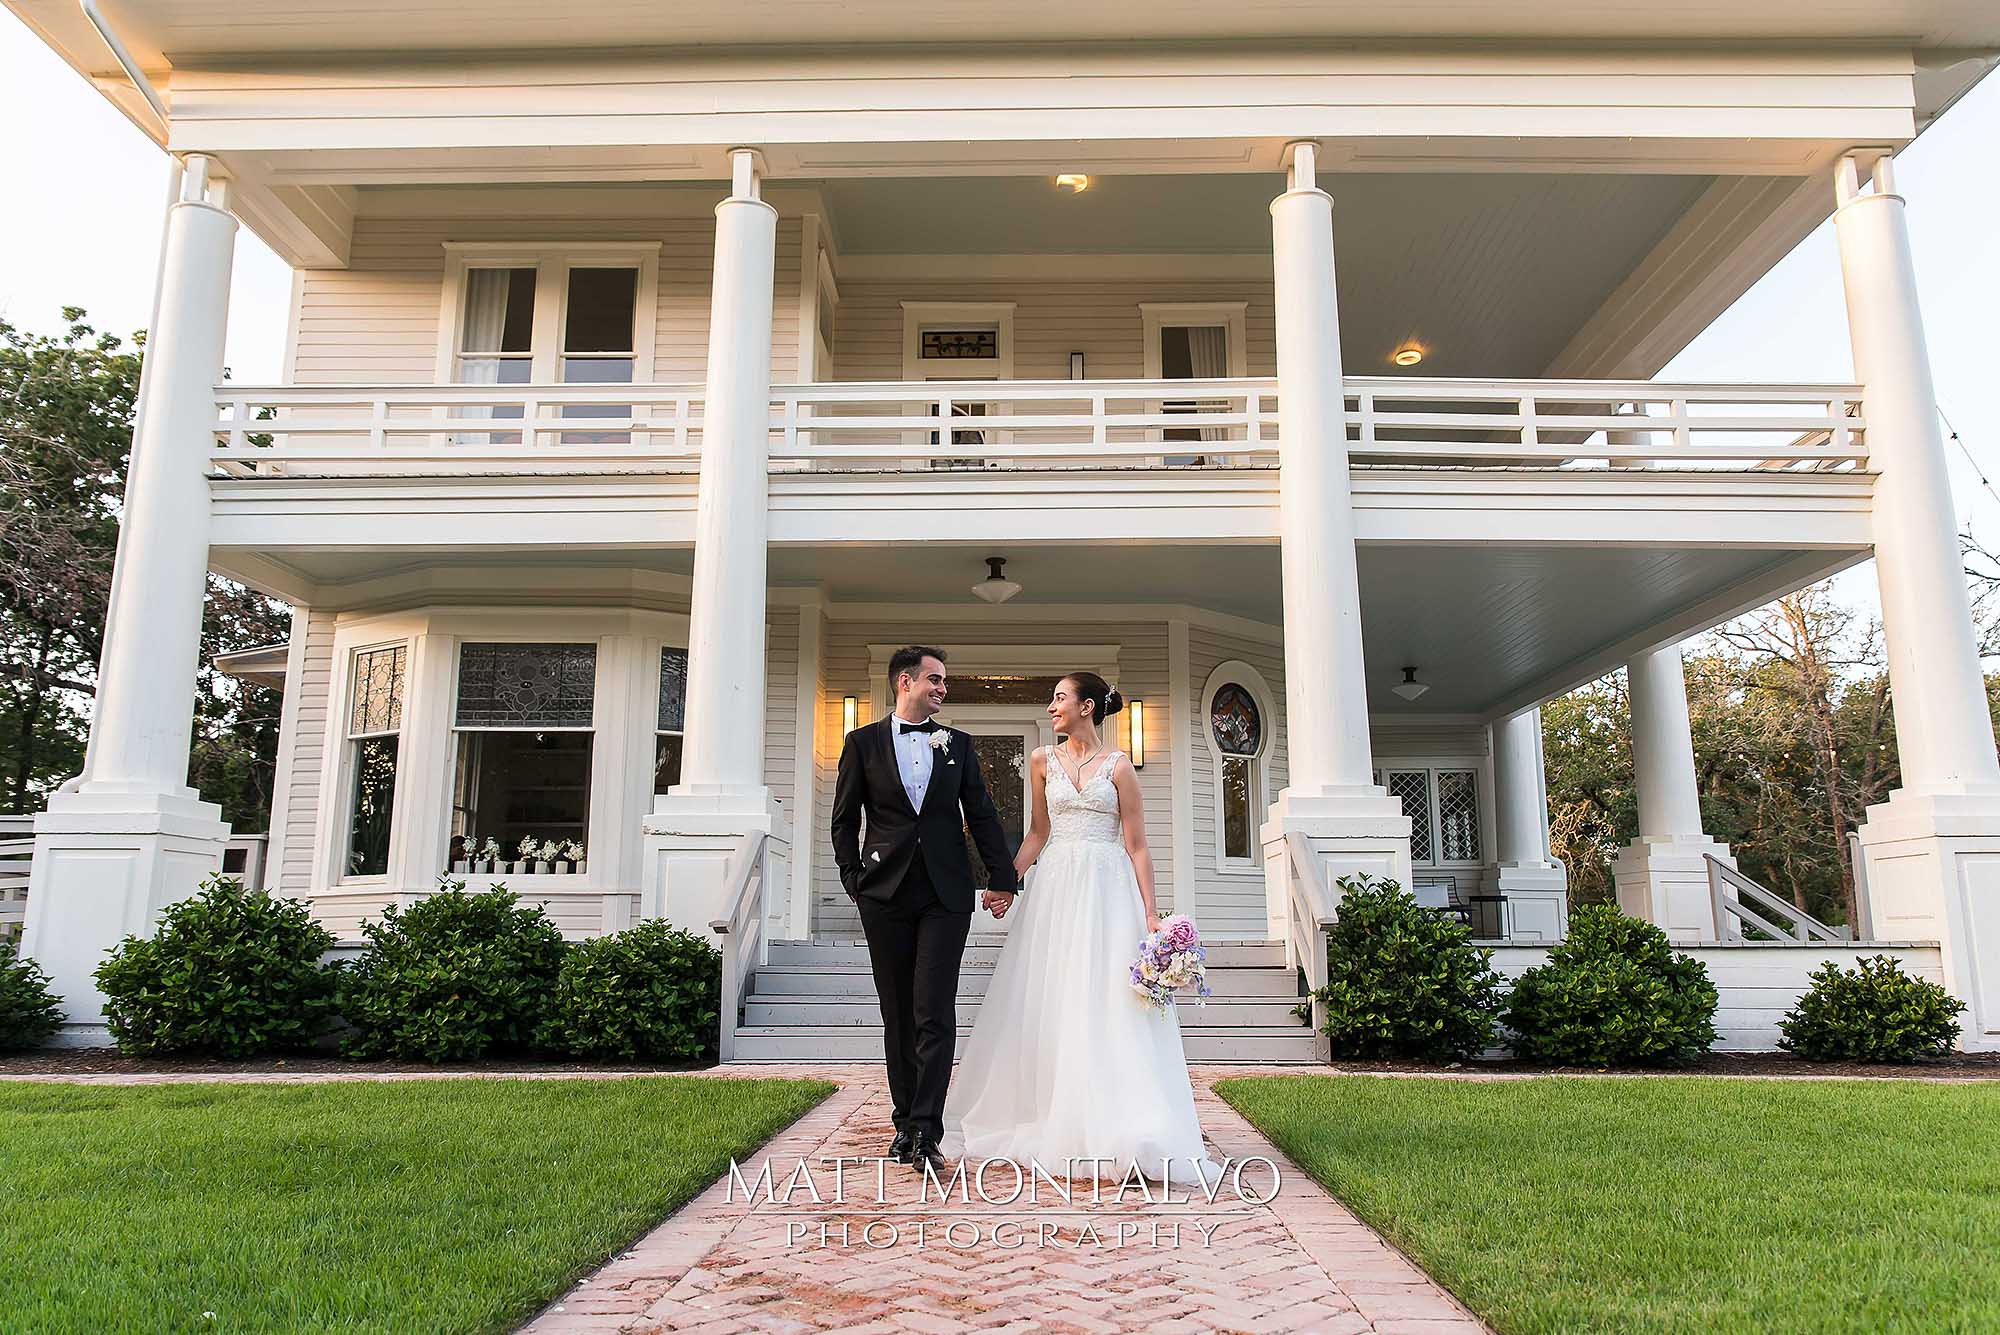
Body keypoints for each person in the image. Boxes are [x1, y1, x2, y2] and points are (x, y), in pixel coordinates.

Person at [940, 671, 1218, 1186]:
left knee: (1108, 997)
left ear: (1087, 707)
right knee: (1054, 993)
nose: (1051, 707)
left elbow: (1137, 845)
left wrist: (1152, 914)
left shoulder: (1120, 767)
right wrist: (1006, 881)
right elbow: (1038, 832)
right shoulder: (1041, 761)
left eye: (1059, 698)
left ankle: (1117, 1115)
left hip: (1108, 891)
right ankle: (1049, 1109)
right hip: (1056, 889)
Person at [831, 645, 1021, 1170]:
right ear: (905, 682)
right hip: (883, 894)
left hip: (945, 895)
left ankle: (925, 1131)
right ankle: (903, 1123)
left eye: (943, 681)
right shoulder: (861, 743)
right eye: (934, 680)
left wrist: (1002, 878)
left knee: (933, 1010)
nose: (942, 688)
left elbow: (982, 814)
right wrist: (853, 878)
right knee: (897, 1012)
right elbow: (844, 818)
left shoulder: (957, 744)